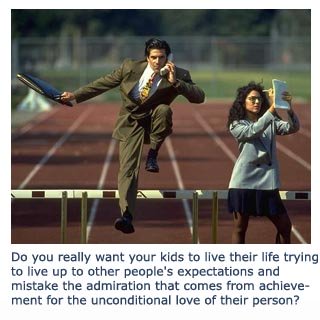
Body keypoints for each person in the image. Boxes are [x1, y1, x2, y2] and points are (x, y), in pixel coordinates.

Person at [61, 38, 205, 234]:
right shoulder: (129, 67)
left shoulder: (178, 74)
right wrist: (76, 96)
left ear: (167, 58)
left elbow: (199, 97)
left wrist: (176, 83)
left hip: (155, 120)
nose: (157, 61)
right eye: (153, 57)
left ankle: (153, 153)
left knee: (164, 110)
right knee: (127, 168)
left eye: (161, 57)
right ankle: (127, 215)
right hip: (131, 123)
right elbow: (103, 83)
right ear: (147, 57)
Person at [226, 81, 300, 244]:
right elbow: (253, 130)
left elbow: (292, 128)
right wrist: (273, 108)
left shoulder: (270, 120)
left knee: (285, 226)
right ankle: (238, 265)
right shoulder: (236, 124)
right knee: (240, 227)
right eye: (252, 99)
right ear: (243, 101)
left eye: (259, 99)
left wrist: (288, 107)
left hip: (267, 182)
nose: (257, 102)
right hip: (244, 182)